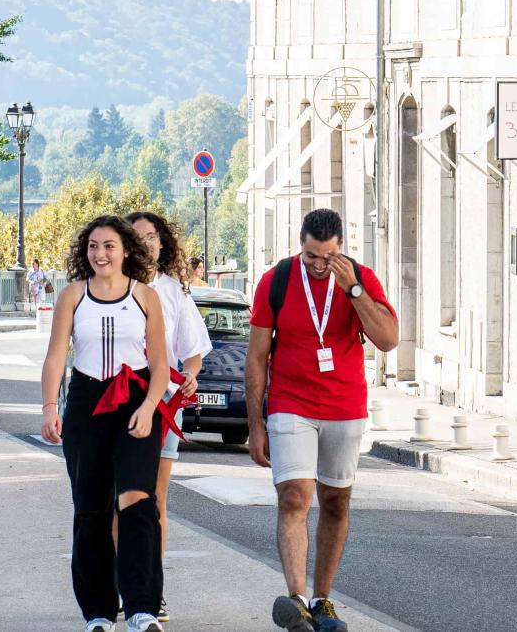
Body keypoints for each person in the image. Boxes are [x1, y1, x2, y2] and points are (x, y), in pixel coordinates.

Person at [245, 208, 398, 632]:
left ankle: (322, 600)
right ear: (301, 244)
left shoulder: (361, 279)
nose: (317, 265)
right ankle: (296, 599)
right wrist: (255, 424)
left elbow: (387, 339)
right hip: (290, 403)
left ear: (340, 249)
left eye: (326, 257)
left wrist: (352, 291)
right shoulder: (275, 281)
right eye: (311, 255)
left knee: (336, 502)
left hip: (345, 407)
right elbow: (257, 357)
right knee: (294, 496)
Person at [39, 215, 172, 632]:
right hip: (86, 402)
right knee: (91, 507)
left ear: (126, 250)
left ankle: (142, 607)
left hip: (135, 400)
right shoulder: (72, 296)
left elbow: (162, 364)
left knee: (137, 501)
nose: (101, 253)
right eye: (93, 246)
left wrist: (150, 405)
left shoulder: (145, 296)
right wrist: (48, 407)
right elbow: (56, 356)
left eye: (109, 245)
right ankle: (98, 610)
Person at [124, 211, 210, 625]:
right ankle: (122, 586)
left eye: (153, 236)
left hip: (164, 406)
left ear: (163, 244)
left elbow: (192, 350)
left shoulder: (174, 291)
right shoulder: (113, 286)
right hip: (119, 403)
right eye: (138, 236)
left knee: (155, 499)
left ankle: (152, 591)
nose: (147, 243)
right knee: (118, 499)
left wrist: (189, 377)